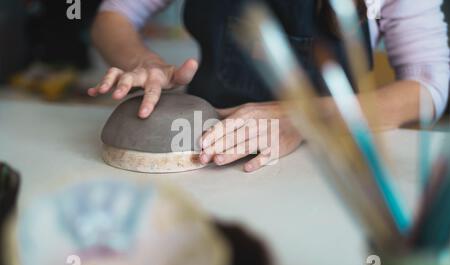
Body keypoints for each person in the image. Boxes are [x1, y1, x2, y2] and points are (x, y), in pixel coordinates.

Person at [88, 0, 450, 172]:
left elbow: (430, 86)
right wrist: (144, 62)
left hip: (332, 171)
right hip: (204, 157)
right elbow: (114, 16)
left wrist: (302, 118)